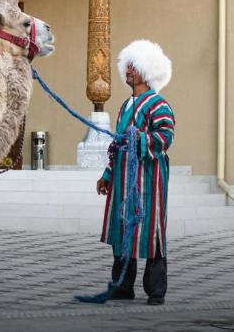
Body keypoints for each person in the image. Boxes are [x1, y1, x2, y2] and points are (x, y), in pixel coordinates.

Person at [96, 39, 175, 305]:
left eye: (133, 66)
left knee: (151, 231)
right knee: (122, 228)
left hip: (148, 181)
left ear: (146, 70)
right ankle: (122, 286)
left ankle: (156, 290)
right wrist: (107, 175)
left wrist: (138, 140)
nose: (128, 70)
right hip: (122, 179)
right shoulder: (124, 106)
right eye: (127, 66)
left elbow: (165, 137)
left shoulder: (158, 105)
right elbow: (117, 143)